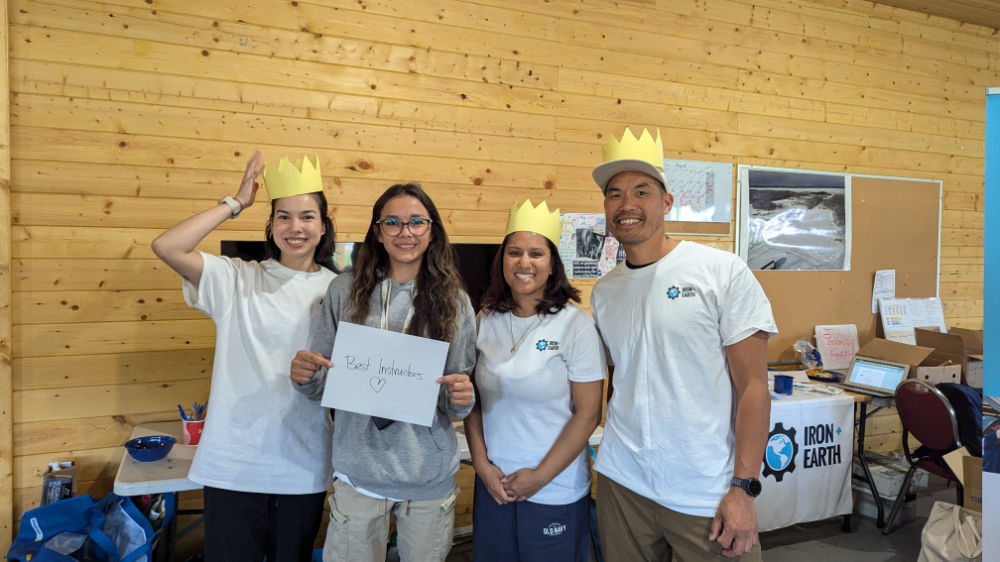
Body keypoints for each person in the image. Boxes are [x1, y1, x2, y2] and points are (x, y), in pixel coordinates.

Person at [588, 127, 778, 561]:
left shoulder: (720, 272)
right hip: (624, 484)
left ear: (667, 202)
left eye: (642, 191)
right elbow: (621, 379)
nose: (627, 204)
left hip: (705, 491)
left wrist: (744, 487)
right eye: (614, 195)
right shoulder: (605, 292)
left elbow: (753, 387)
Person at [151, 152, 336, 561]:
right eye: (283, 217)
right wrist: (234, 203)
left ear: (323, 226)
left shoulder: (341, 291)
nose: (295, 227)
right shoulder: (236, 278)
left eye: (307, 217)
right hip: (232, 464)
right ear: (271, 227)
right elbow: (166, 246)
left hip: (302, 466)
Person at [289, 183, 476, 562]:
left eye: (416, 222)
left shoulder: (455, 302)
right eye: (392, 222)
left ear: (432, 230)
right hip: (359, 473)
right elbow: (322, 380)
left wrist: (462, 398)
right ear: (377, 231)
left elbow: (455, 394)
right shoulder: (344, 291)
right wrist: (305, 376)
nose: (405, 232)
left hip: (426, 476)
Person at [464, 200, 606, 561]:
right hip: (494, 486)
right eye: (514, 252)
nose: (524, 263)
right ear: (502, 261)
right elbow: (473, 400)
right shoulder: (486, 318)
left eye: (536, 253)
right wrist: (482, 466)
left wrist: (540, 476)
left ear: (552, 263)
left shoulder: (576, 325)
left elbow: (589, 415)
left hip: (553, 490)